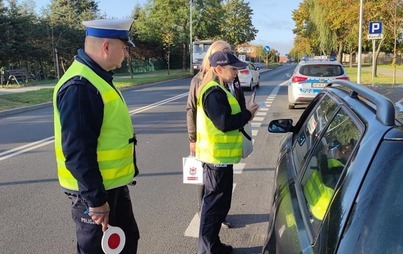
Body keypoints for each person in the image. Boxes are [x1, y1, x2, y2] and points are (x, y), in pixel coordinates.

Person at [52, 18, 140, 253]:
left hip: (109, 189)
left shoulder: (95, 78)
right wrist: (96, 201)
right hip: (95, 195)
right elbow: (78, 152)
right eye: (124, 48)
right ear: (106, 47)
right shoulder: (81, 86)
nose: (126, 55)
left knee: (125, 243)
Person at [196, 50, 259, 254]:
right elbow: (223, 123)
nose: (236, 73)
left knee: (220, 207)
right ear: (219, 69)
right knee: (213, 208)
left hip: (221, 159)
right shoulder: (213, 92)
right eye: (233, 69)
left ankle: (213, 245)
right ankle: (207, 249)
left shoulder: (220, 89)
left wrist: (245, 112)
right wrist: (247, 114)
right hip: (216, 160)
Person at [186, 40, 246, 228]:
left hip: (225, 139)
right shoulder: (200, 80)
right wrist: (192, 138)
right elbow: (191, 110)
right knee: (207, 181)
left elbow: (237, 102)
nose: (229, 58)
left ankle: (217, 216)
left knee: (220, 186)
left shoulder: (232, 79)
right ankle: (205, 212)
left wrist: (245, 116)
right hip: (208, 141)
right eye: (223, 53)